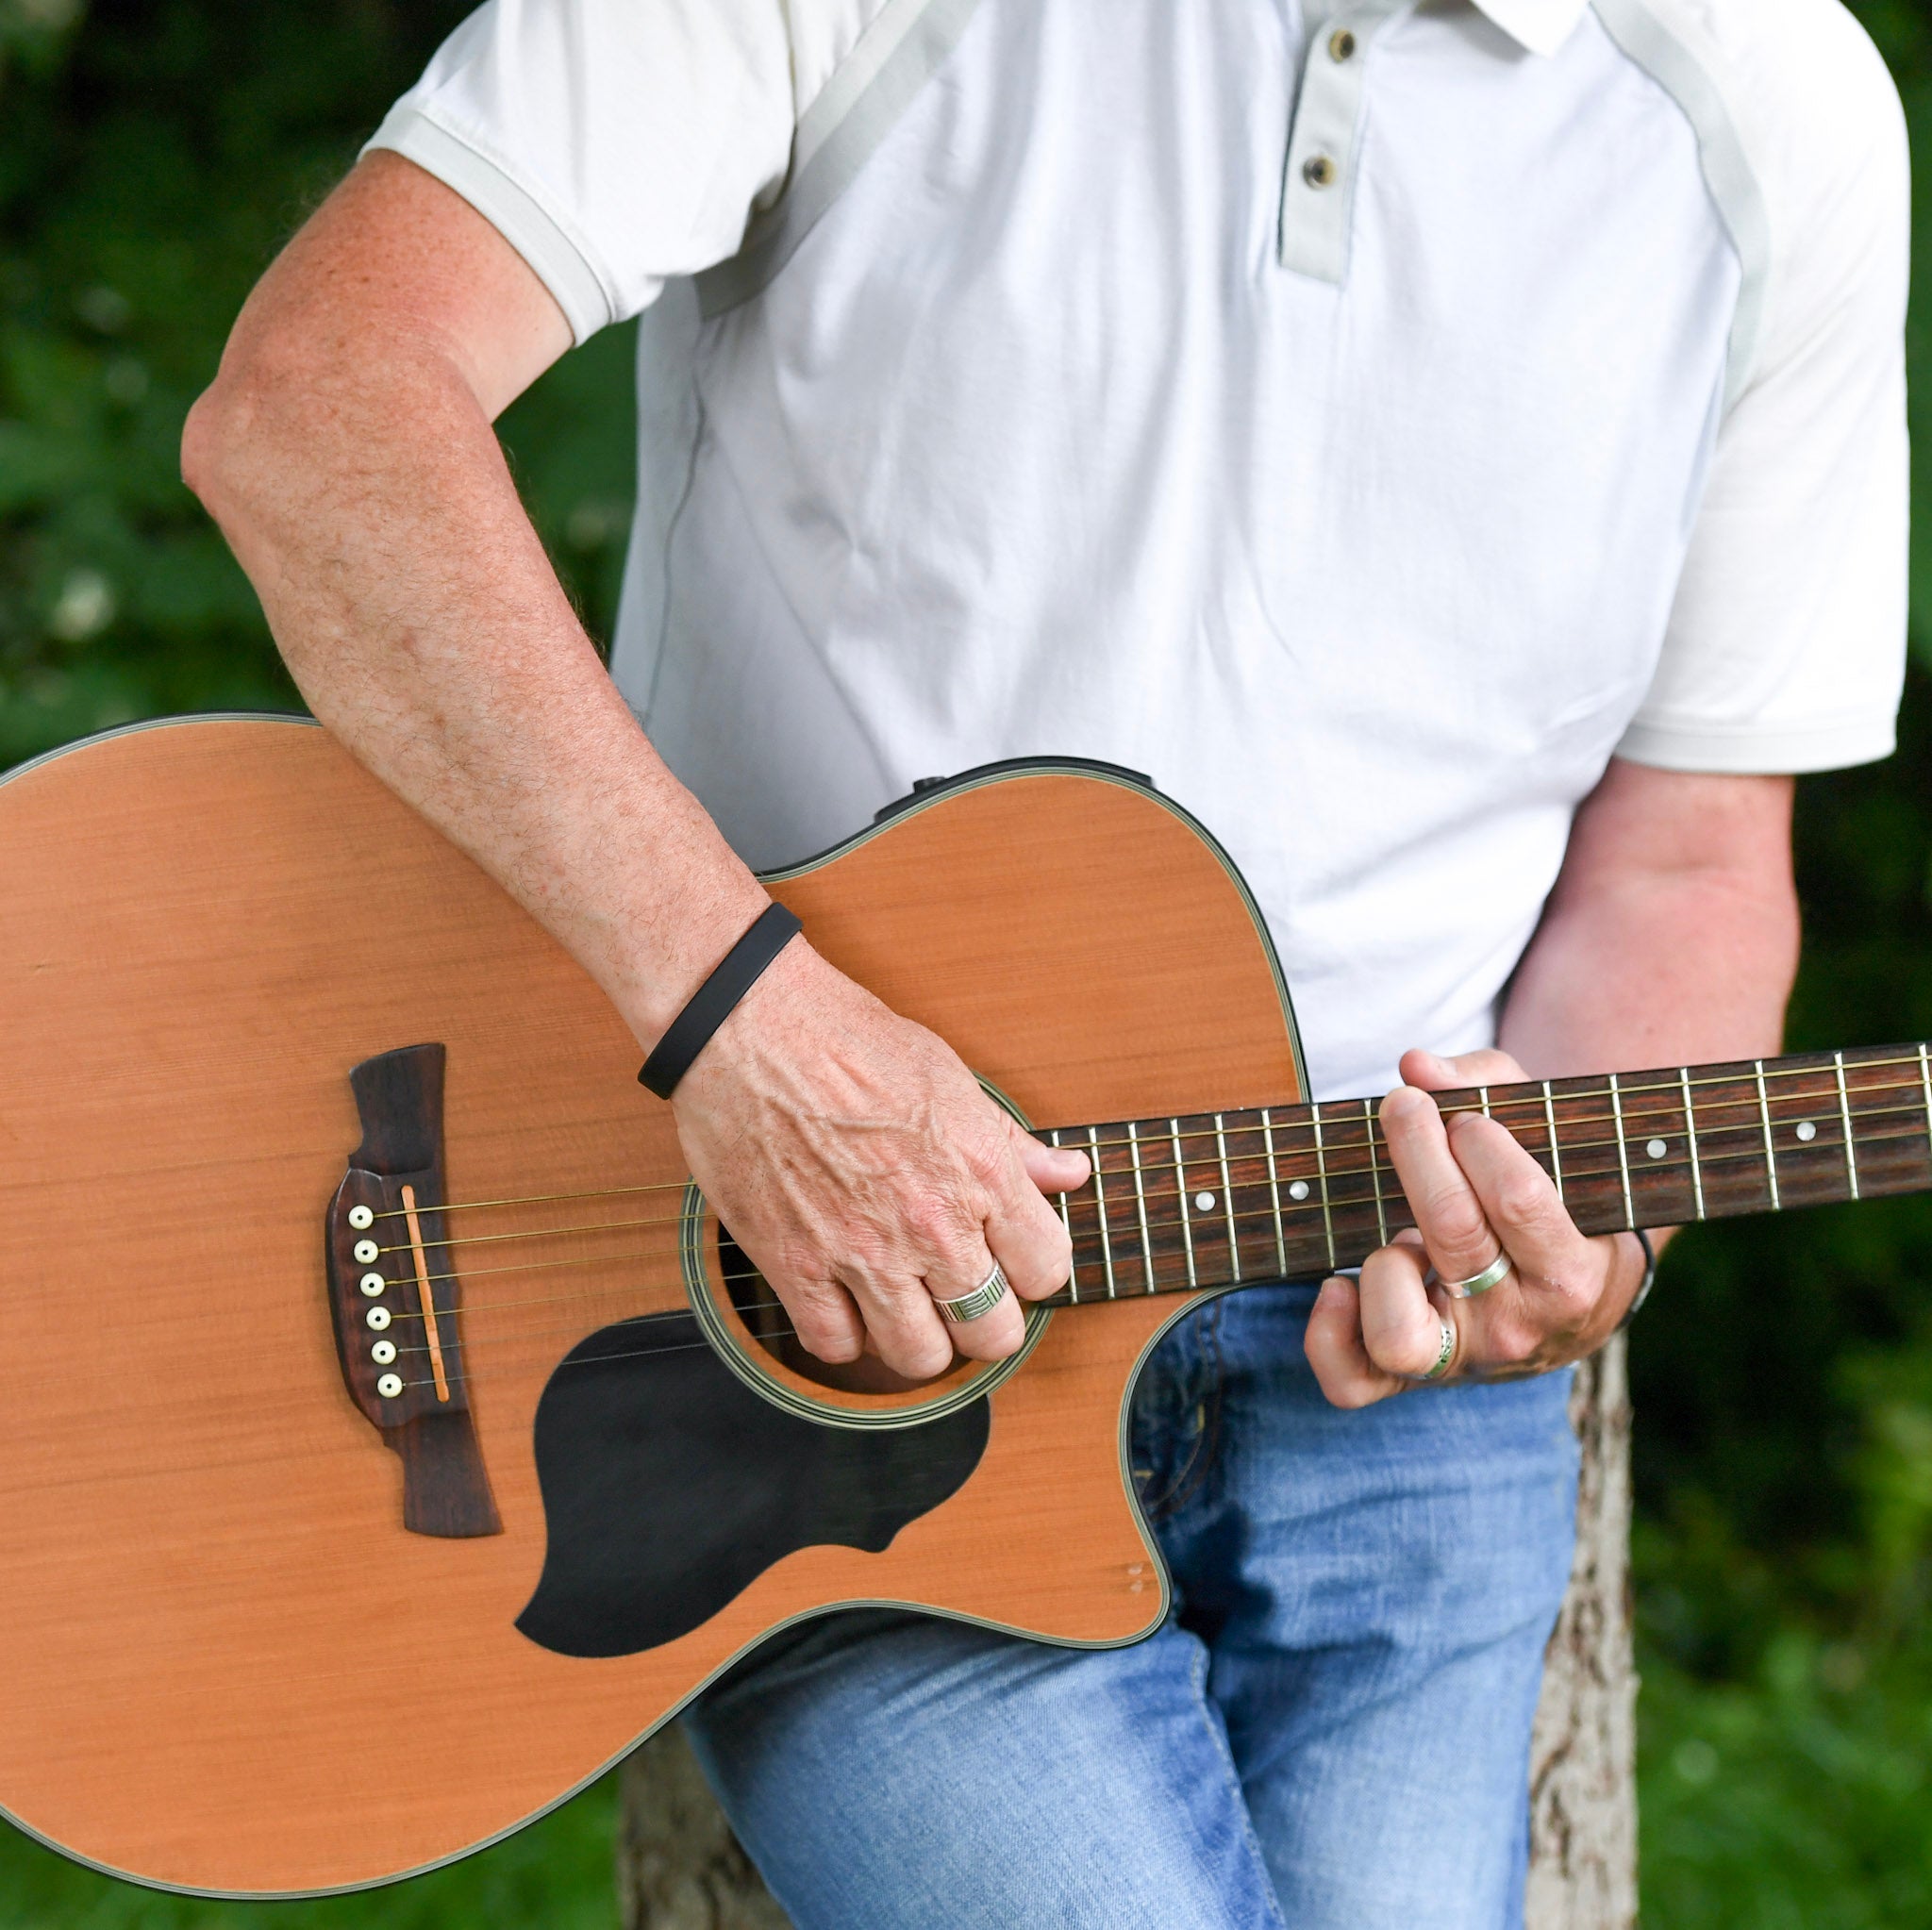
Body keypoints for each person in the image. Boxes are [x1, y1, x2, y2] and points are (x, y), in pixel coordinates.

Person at [181, 0, 1907, 1921]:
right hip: (808, 1349)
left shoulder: (1781, 105)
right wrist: (750, 1025)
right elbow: (321, 413)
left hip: (1400, 1385)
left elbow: (1687, 860)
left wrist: (1580, 1218)